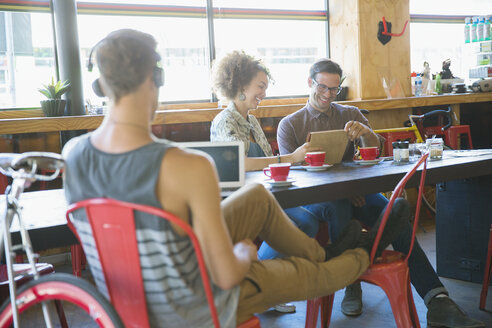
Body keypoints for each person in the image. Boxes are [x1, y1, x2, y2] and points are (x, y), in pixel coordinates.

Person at [62, 29, 410, 327]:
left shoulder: (73, 155)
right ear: (155, 81)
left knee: (258, 199)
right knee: (313, 275)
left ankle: (325, 251)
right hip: (197, 306)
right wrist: (245, 253)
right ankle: (359, 252)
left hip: (125, 305)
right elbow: (227, 274)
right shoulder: (187, 166)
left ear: (101, 84)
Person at [277, 57, 485, 328]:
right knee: (347, 208)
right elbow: (291, 176)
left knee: (395, 213)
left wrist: (365, 133)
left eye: (334, 89)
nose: (328, 95)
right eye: (323, 88)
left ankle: (437, 301)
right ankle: (352, 283)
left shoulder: (349, 113)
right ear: (309, 83)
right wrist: (343, 189)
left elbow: (375, 149)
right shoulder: (290, 124)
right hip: (319, 201)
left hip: (358, 193)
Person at [209, 50, 322, 313]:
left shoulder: (252, 121)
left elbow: (269, 160)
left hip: (267, 194)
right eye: (260, 86)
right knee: (305, 222)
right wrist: (290, 158)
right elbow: (242, 163)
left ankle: (262, 286)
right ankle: (259, 286)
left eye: (265, 88)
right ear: (240, 86)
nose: (264, 93)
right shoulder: (224, 121)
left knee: (310, 220)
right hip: (240, 200)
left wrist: (290, 161)